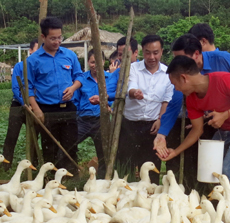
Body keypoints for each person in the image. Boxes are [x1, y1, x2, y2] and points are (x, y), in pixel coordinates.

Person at [163, 27, 230, 200]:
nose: (176, 89)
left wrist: (225, 114)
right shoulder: (192, 99)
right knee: (209, 169)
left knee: (229, 172)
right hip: (224, 130)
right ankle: (221, 206)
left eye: (175, 84)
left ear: (184, 78)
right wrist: (175, 151)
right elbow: (197, 130)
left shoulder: (223, 78)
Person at [27, 17, 83, 172]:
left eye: (60, 37)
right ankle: (50, 178)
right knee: (49, 147)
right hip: (47, 109)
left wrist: (72, 88)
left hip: (68, 109)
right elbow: (28, 88)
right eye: (53, 38)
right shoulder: (33, 60)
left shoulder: (69, 55)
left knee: (70, 144)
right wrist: (37, 110)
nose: (57, 41)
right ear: (43, 37)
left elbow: (79, 77)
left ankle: (71, 177)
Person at [117, 34, 172, 184]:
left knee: (150, 167)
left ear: (161, 52)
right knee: (125, 166)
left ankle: (150, 197)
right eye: (148, 52)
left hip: (152, 126)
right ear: (142, 52)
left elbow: (166, 101)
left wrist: (160, 119)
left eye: (155, 52)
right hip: (129, 125)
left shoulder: (167, 74)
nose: (152, 57)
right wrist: (135, 93)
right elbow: (130, 87)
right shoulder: (133, 68)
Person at [73, 49, 115, 178]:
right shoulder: (81, 80)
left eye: (98, 62)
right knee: (70, 143)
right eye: (92, 62)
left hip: (101, 120)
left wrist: (109, 107)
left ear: (103, 62)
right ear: (88, 62)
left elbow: (114, 99)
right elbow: (75, 100)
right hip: (83, 120)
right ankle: (72, 175)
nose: (95, 65)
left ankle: (102, 180)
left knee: (103, 152)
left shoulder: (110, 78)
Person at [2, 39, 39, 170]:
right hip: (18, 105)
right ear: (30, 51)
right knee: (11, 136)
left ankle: (34, 166)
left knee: (35, 136)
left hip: (36, 107)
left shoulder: (41, 67)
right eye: (37, 50)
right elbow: (15, 88)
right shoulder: (19, 66)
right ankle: (5, 166)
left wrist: (34, 106)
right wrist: (25, 103)